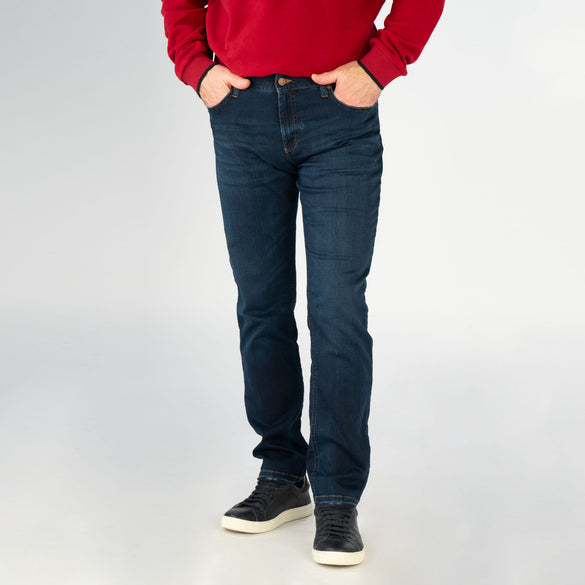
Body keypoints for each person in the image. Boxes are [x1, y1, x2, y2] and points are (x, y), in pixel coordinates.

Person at [160, 0, 444, 566]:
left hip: (337, 112)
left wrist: (381, 65)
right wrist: (196, 68)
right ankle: (283, 472)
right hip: (241, 111)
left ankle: (337, 494)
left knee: (337, 309)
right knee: (261, 305)